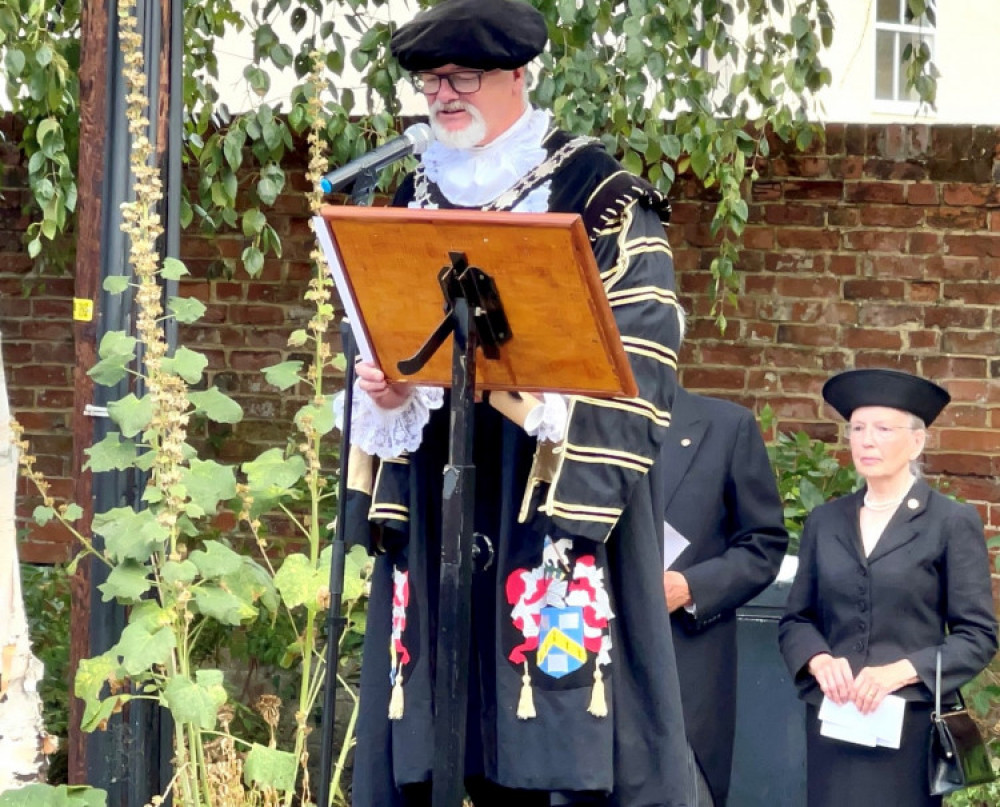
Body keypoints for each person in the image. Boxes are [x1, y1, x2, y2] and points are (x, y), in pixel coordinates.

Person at [344, 1, 691, 805]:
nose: (443, 95)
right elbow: (380, 331)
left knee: (551, 725)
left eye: (462, 77)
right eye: (430, 81)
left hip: (546, 487)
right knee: (439, 733)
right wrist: (388, 389)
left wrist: (529, 398)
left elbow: (643, 350)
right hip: (439, 486)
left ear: (517, 76)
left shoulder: (597, 192)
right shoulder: (406, 194)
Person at [777, 368, 998, 807]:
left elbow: (978, 637)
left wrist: (901, 671)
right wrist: (819, 659)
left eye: (882, 429)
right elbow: (796, 620)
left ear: (916, 441)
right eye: (857, 428)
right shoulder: (826, 520)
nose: (866, 440)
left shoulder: (950, 522)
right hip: (833, 723)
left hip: (908, 728)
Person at [660, 386, 789, 807]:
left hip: (682, 668)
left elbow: (763, 542)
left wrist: (691, 587)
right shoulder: (568, 420)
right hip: (584, 671)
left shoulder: (724, 425)